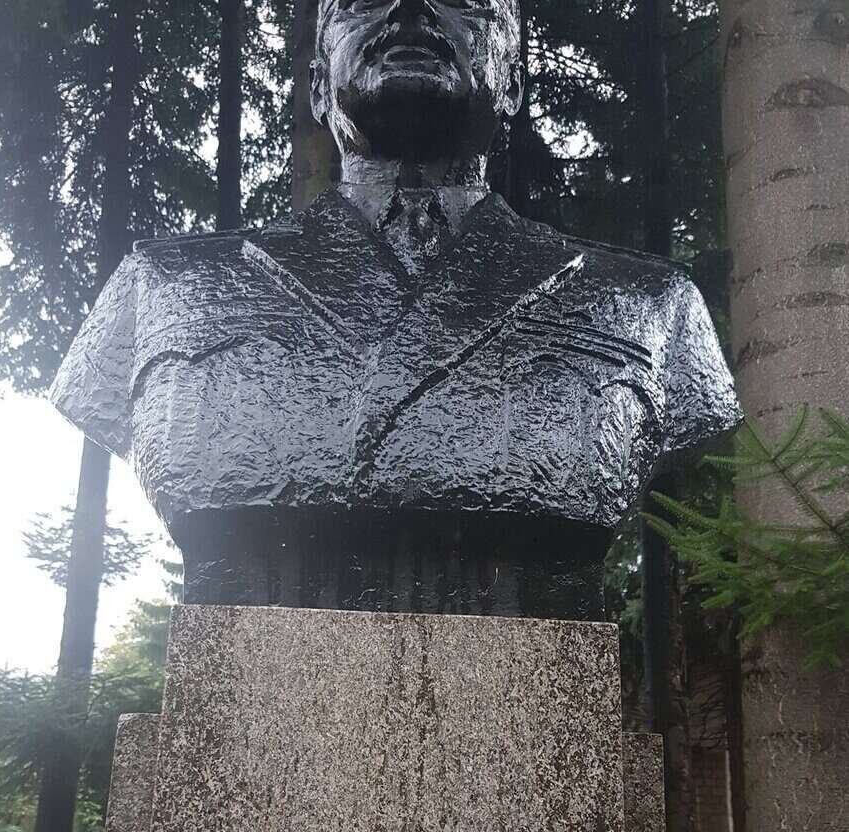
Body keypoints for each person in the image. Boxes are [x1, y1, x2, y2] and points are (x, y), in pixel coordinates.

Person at [50, 0, 741, 619]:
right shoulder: (169, 286)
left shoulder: (648, 306)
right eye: (364, 0)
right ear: (316, 84)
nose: (411, 12)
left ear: (513, 80)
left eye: (462, 1)